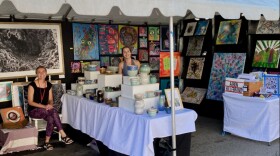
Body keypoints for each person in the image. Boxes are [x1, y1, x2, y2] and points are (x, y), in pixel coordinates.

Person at [28, 66, 74, 150]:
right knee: (53, 112)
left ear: (46, 73)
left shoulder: (48, 85)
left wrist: (49, 105)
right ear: (36, 74)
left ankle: (46, 142)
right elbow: (30, 102)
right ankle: (63, 134)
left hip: (46, 110)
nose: (41, 73)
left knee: (51, 119)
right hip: (34, 110)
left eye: (43, 71)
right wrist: (45, 106)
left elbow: (50, 100)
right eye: (39, 72)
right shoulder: (32, 85)